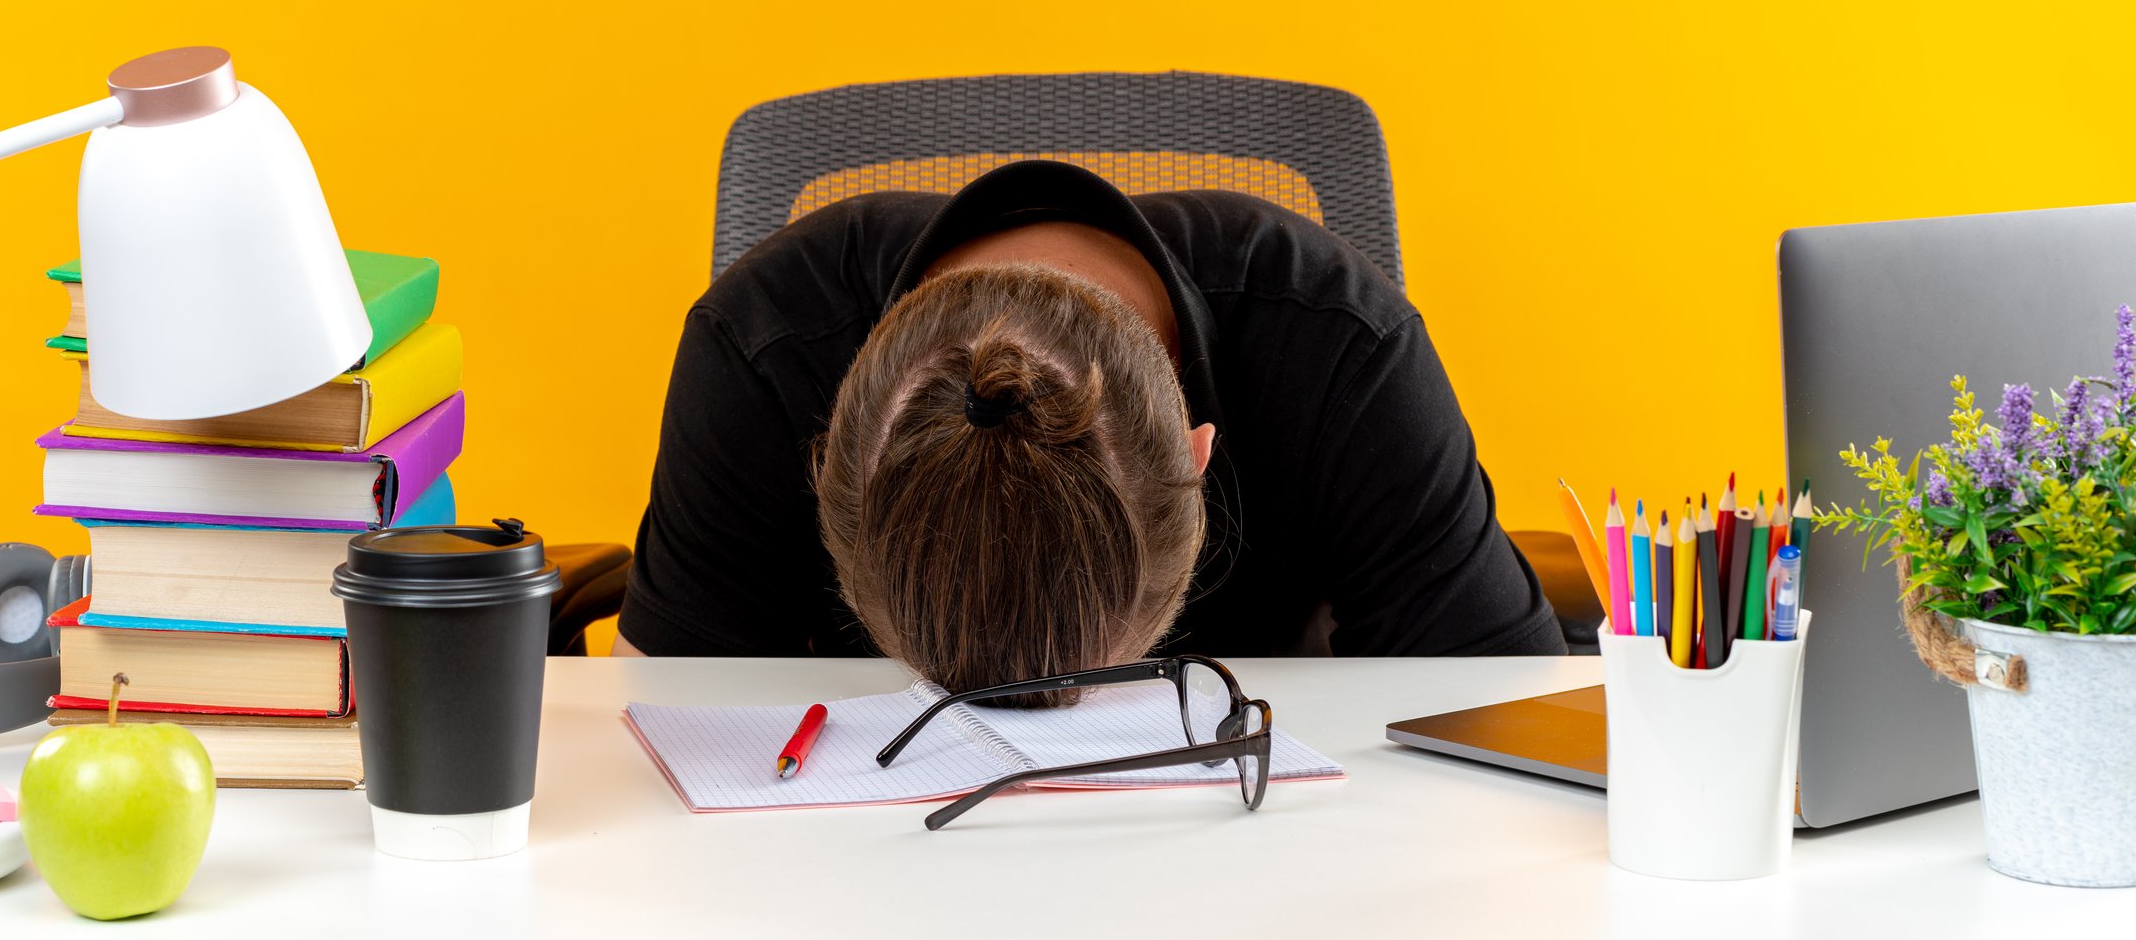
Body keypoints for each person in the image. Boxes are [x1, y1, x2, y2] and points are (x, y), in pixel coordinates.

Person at [615, 159, 1563, 686]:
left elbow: (1502, 713)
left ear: (1197, 467)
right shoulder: (760, 349)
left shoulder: (1345, 351)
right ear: (831, 474)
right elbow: (658, 734)